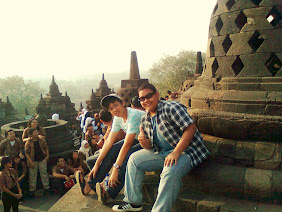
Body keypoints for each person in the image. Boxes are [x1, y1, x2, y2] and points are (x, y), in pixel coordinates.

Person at [113, 83, 209, 212]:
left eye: (149, 96)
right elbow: (149, 146)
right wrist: (143, 140)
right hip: (163, 152)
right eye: (142, 99)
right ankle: (133, 201)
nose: (146, 100)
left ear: (157, 94)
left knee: (169, 171)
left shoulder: (171, 108)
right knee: (134, 159)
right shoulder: (145, 118)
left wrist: (176, 152)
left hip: (187, 151)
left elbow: (191, 128)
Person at [76, 94, 144, 205]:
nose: (114, 110)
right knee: (112, 149)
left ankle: (109, 193)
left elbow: (127, 145)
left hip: (149, 142)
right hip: (136, 139)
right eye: (111, 108)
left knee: (127, 158)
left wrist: (115, 169)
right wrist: (97, 164)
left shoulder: (133, 115)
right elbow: (108, 142)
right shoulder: (117, 118)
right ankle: (90, 185)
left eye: (116, 105)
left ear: (122, 103)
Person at [24, 128, 51, 197]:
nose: (36, 133)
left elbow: (46, 147)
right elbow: (26, 153)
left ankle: (46, 187)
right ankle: (32, 190)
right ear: (31, 134)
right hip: (33, 160)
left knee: (44, 173)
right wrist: (30, 161)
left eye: (36, 132)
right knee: (32, 175)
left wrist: (47, 157)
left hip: (42, 159)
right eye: (35, 132)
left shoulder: (41, 140)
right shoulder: (28, 142)